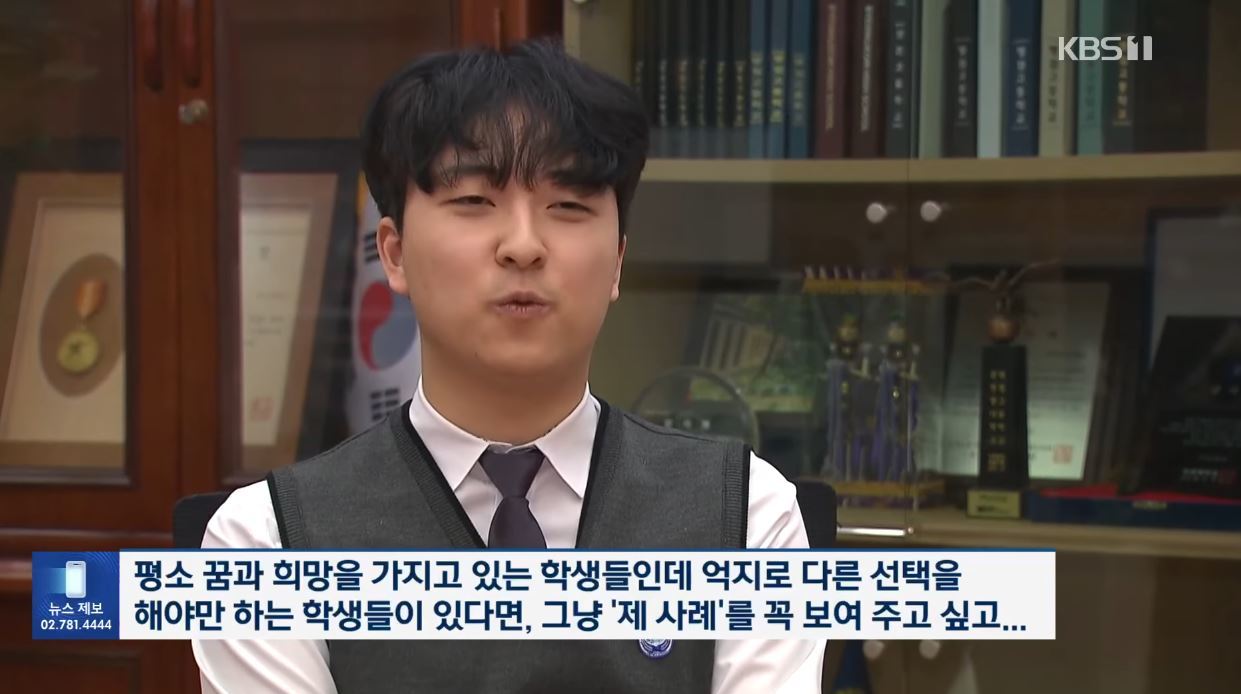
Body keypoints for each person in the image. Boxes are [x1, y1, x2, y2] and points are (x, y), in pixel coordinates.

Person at [192, 38, 825, 694]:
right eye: (473, 201)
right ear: (395, 254)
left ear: (616, 261)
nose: (523, 246)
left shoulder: (746, 516)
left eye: (568, 206)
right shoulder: (264, 543)